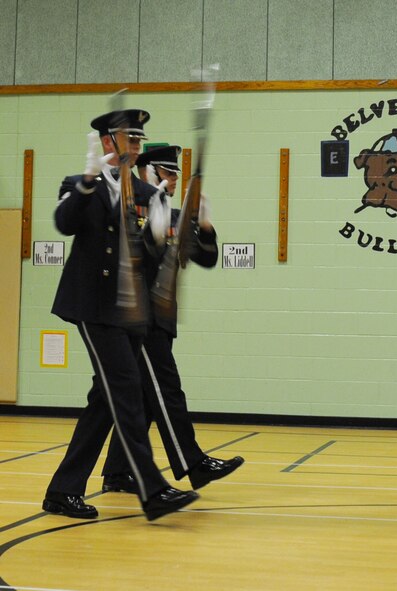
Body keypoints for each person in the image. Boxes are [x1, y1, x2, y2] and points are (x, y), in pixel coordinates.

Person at [42, 110, 199, 521]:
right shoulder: (80, 185)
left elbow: (147, 253)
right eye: (129, 140)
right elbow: (65, 222)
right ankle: (152, 490)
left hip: (130, 313)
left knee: (106, 401)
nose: (135, 148)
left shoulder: (147, 196)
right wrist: (90, 181)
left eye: (137, 142)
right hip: (93, 307)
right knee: (128, 392)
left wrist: (161, 230)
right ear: (108, 143)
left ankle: (62, 490)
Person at [100, 145, 244, 495]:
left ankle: (119, 473)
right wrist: (152, 218)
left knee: (145, 399)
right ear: (147, 172)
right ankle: (192, 463)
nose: (174, 179)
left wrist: (205, 225)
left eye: (176, 174)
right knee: (166, 391)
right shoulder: (130, 209)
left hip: (162, 317)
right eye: (166, 173)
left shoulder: (175, 214)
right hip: (139, 318)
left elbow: (206, 258)